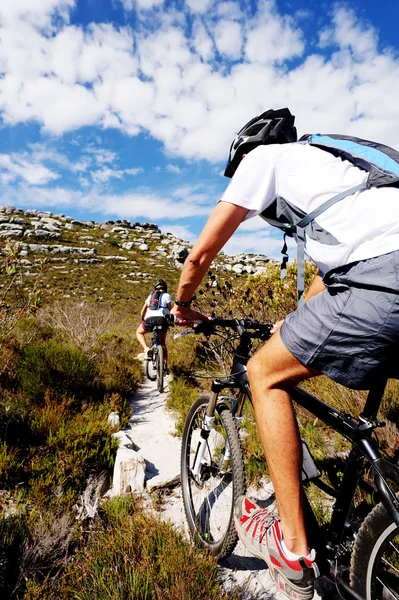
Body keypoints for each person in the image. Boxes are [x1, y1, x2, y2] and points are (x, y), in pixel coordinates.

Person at [171, 108, 399, 600]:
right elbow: (327, 276)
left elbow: (200, 255)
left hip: (384, 280)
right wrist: (293, 319)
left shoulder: (266, 159)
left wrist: (184, 305)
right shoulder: (338, 176)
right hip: (379, 275)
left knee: (263, 374)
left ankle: (294, 554)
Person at [136, 279, 172, 366]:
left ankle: (146, 348)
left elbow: (142, 311)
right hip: (163, 320)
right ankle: (165, 365)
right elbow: (170, 310)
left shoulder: (150, 296)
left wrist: (143, 319)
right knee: (162, 343)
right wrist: (169, 322)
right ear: (165, 288)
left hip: (150, 319)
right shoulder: (167, 295)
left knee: (139, 332)